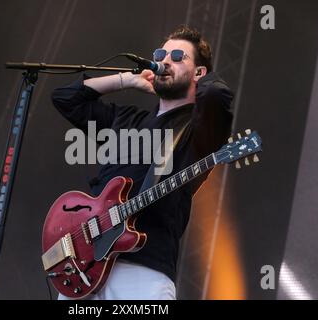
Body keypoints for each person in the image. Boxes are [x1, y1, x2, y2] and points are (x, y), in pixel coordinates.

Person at [51, 25, 234, 300]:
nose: (164, 61)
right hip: (87, 265)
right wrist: (126, 80)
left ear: (199, 73)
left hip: (144, 269)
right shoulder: (125, 120)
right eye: (160, 55)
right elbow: (66, 99)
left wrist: (198, 80)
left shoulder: (199, 130)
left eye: (177, 56)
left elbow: (217, 96)